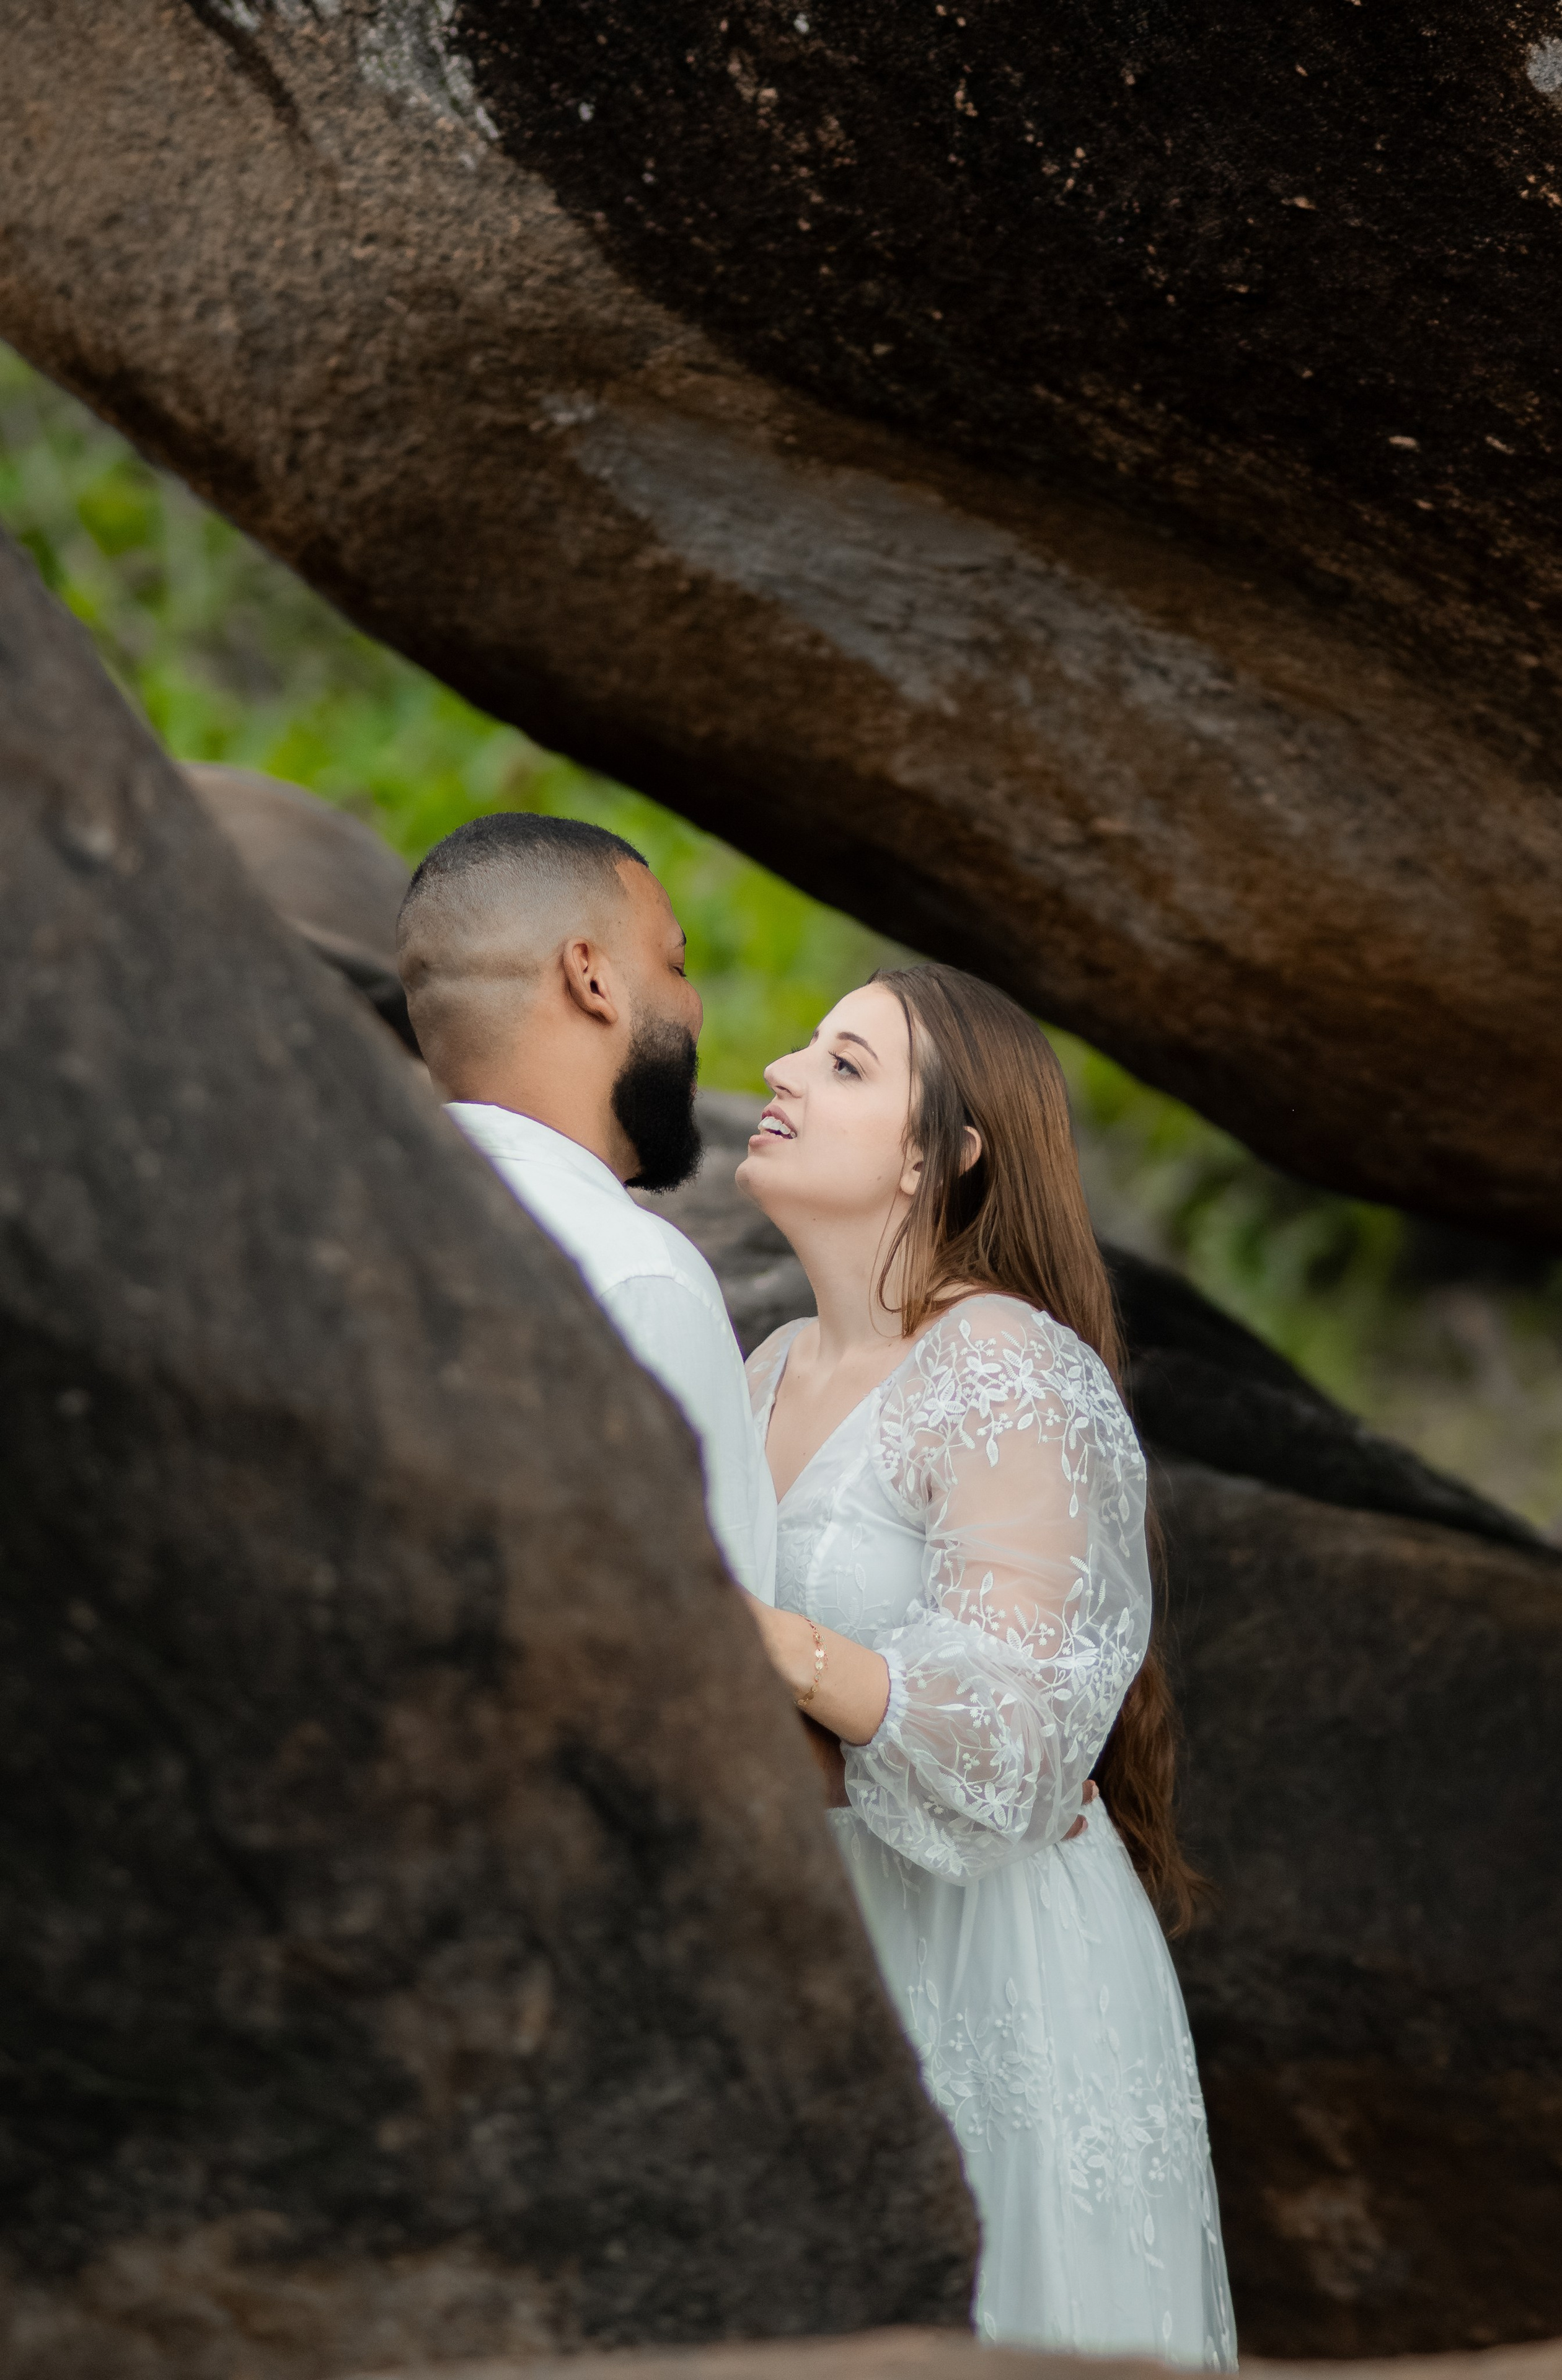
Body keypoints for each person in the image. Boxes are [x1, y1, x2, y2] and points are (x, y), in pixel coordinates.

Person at [735, 960, 1236, 2366]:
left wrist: (769, 1644)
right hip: (815, 1924)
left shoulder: (1005, 1365)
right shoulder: (762, 1362)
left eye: (842, 1064)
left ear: (939, 1154)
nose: (777, 1070)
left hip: (990, 1946)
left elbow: (1019, 1728)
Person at [395, 812, 776, 1605]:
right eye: (674, 964)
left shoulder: (357, 1214)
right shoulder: (638, 1275)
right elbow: (714, 1649)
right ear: (591, 978)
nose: (693, 1007)